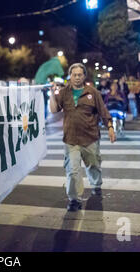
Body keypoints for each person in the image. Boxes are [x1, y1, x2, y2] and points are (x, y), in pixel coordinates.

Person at [49, 63, 116, 212]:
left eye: (80, 75)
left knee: (93, 165)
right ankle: (74, 199)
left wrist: (110, 127)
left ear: (84, 76)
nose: (77, 77)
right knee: (72, 171)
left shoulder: (93, 92)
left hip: (90, 137)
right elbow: (54, 110)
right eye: (74, 75)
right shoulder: (64, 93)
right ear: (70, 76)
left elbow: (103, 112)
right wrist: (53, 96)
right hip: (71, 139)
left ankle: (96, 185)